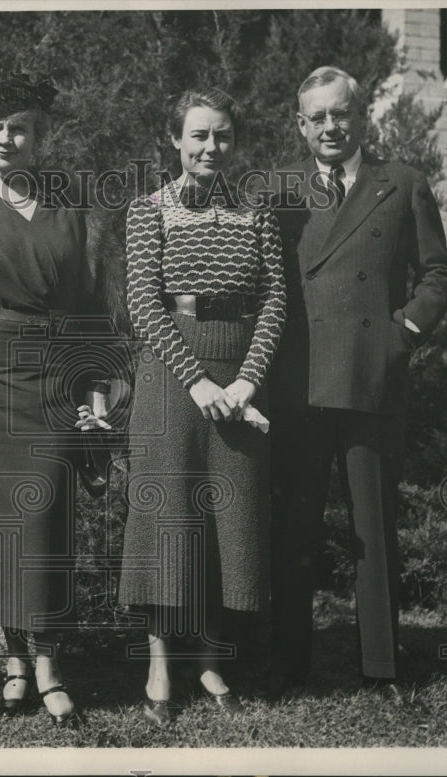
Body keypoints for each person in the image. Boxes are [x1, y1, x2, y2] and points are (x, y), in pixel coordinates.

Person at [0, 74, 124, 729]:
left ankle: (50, 668)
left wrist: (97, 387)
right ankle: (13, 662)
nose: (4, 138)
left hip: (55, 377)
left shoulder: (72, 207)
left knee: (46, 521)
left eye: (17, 127)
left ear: (38, 135)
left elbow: (96, 307)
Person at [265, 66, 447, 701]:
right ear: (300, 125)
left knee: (373, 532)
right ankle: (288, 664)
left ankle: (382, 667)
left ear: (361, 116)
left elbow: (438, 274)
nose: (329, 126)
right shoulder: (277, 190)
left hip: (372, 380)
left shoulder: (401, 184)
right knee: (293, 531)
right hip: (297, 383)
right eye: (316, 117)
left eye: (340, 113)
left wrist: (401, 334)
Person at [117, 88, 286, 725]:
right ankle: (160, 666)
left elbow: (275, 300)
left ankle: (212, 659)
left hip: (240, 370)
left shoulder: (258, 209)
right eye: (197, 136)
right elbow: (143, 304)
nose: (210, 147)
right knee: (169, 520)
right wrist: (196, 381)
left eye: (221, 136)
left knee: (228, 520)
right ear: (175, 140)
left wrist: (245, 382)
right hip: (171, 378)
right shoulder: (146, 210)